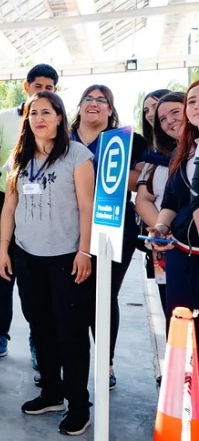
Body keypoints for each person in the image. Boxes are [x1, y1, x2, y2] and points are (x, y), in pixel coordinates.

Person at [0, 92, 94, 436]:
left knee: (70, 332)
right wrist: (4, 249)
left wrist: (84, 251)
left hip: (67, 258)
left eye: (46, 112)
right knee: (40, 329)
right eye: (33, 113)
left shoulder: (77, 155)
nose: (39, 118)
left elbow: (87, 207)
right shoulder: (19, 159)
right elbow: (9, 207)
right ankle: (51, 393)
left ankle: (78, 406)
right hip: (28, 257)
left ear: (59, 117)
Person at [70, 84, 147, 390]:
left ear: (110, 110)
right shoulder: (63, 138)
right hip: (69, 227)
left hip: (114, 225)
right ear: (79, 106)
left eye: (102, 101)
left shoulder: (127, 141)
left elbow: (140, 182)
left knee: (104, 296)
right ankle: (68, 362)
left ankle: (107, 362)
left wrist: (100, 172)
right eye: (88, 98)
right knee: (73, 297)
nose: (94, 104)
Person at [0, 63, 59, 365]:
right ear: (26, 87)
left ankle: (38, 341)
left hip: (43, 208)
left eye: (50, 88)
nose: (43, 92)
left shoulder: (57, 122)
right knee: (1, 276)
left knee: (36, 281)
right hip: (5, 202)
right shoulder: (3, 119)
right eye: (38, 86)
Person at [150, 80, 199, 355]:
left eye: (174, 112)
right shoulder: (183, 154)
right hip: (181, 255)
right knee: (179, 329)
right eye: (191, 102)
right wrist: (160, 228)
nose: (169, 121)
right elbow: (170, 200)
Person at [136, 92, 183, 324]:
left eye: (172, 112)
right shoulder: (156, 156)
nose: (154, 115)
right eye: (149, 111)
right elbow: (144, 199)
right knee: (174, 319)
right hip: (168, 249)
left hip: (189, 244)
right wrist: (162, 230)